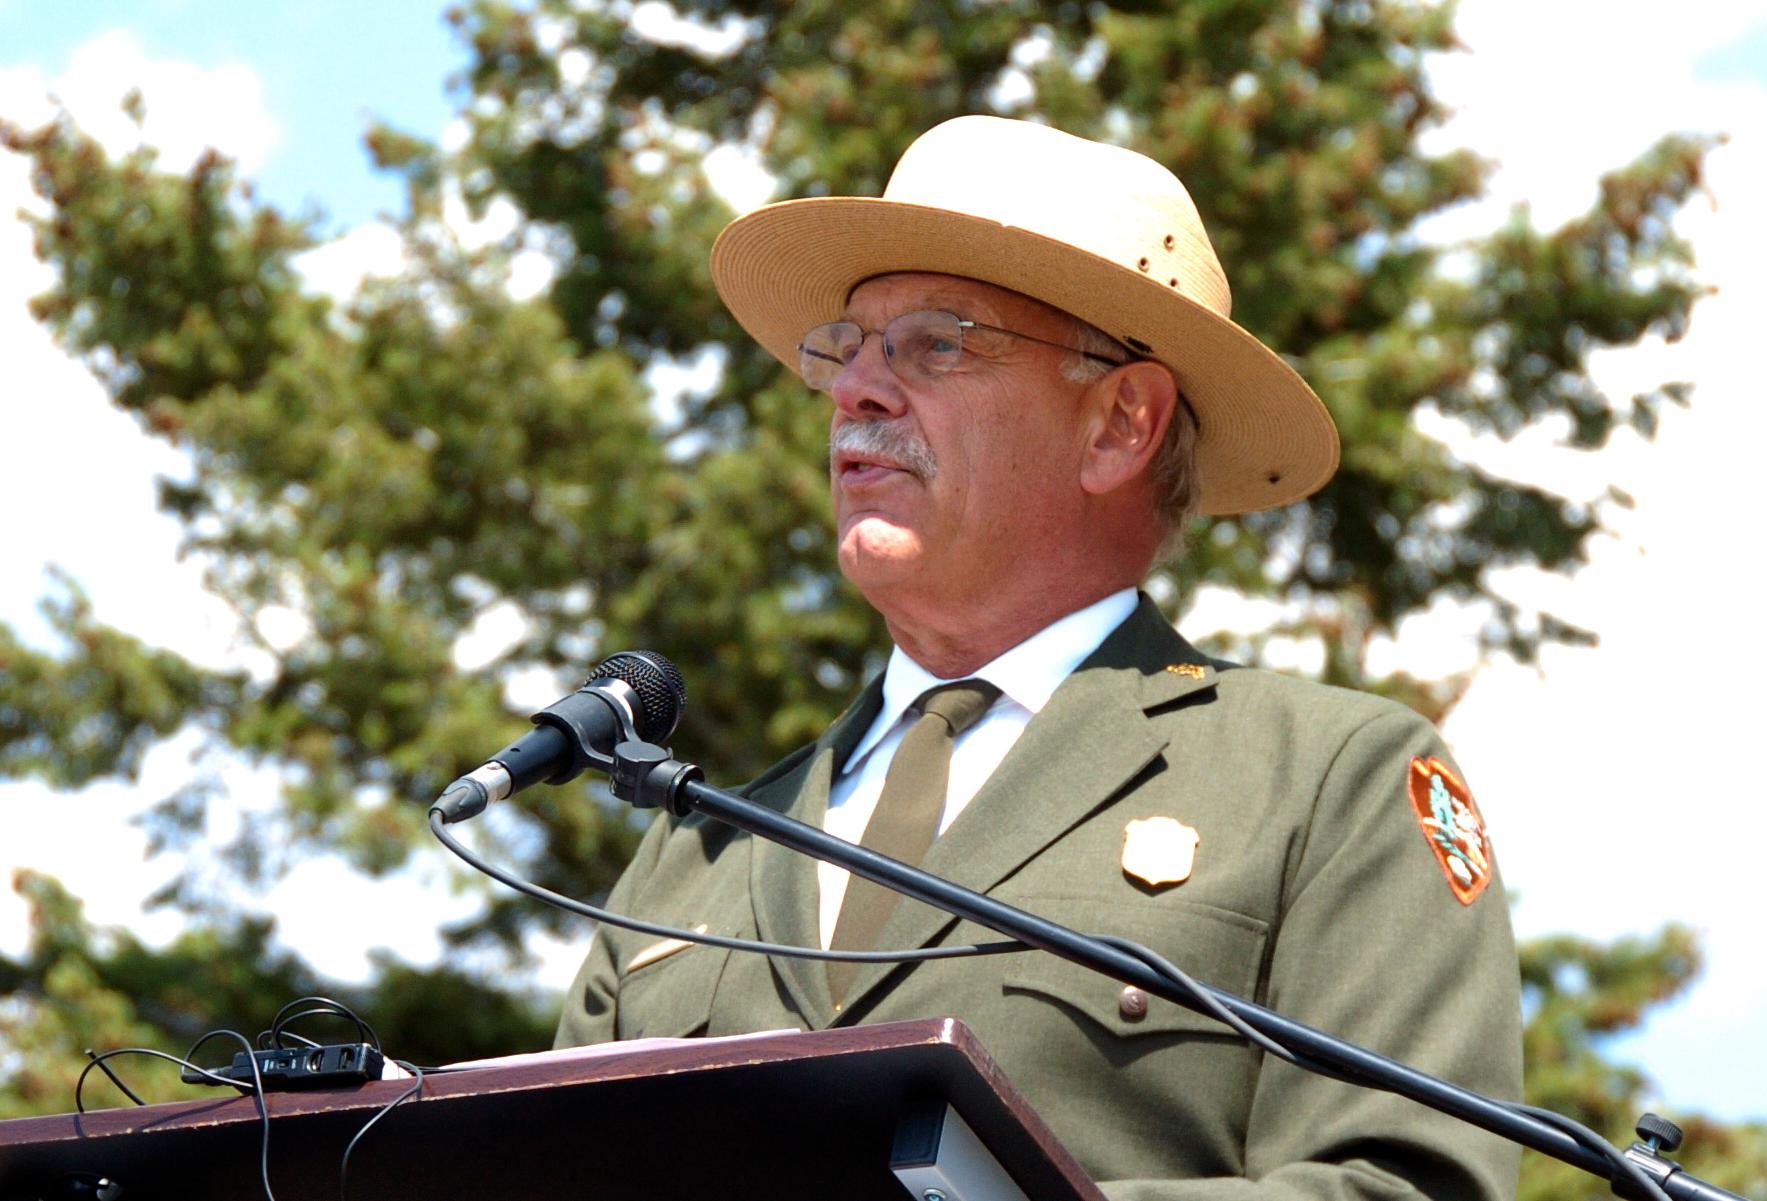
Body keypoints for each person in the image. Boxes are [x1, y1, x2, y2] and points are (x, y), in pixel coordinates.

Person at [555, 116, 1522, 1201]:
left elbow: (1409, 1191)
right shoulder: (699, 847)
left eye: (935, 344)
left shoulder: (1323, 779)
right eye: (848, 348)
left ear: (1120, 422)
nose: (853, 393)